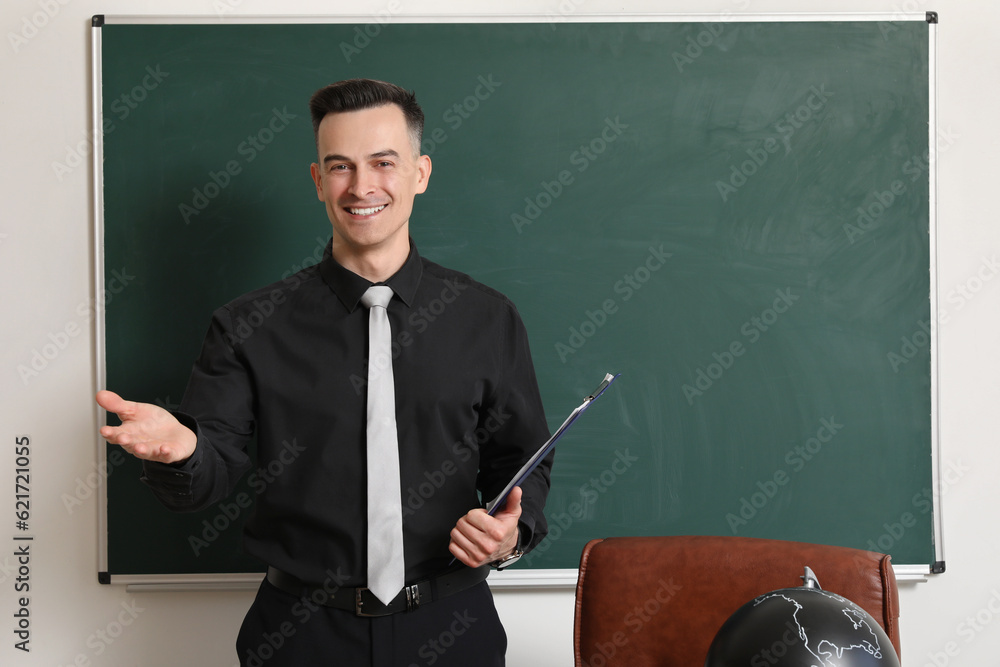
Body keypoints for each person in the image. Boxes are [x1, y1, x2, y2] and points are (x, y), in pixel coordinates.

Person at [96, 78, 553, 666]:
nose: (361, 186)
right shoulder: (247, 326)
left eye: (383, 162)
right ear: (318, 182)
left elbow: (522, 464)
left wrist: (512, 534)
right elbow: (209, 476)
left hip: (453, 628)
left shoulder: (487, 319)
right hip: (298, 635)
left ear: (420, 173)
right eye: (339, 166)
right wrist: (184, 453)